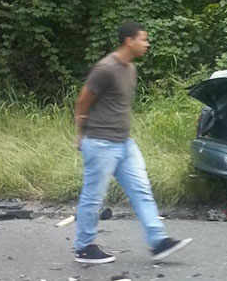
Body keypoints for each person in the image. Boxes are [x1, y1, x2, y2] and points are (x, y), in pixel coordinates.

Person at [73, 22, 192, 264]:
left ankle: (158, 242)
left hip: (124, 144)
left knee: (141, 191)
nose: (147, 44)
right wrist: (81, 134)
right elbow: (83, 101)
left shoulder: (131, 69)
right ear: (129, 40)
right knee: (93, 197)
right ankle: (84, 247)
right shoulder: (105, 68)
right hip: (100, 143)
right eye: (143, 39)